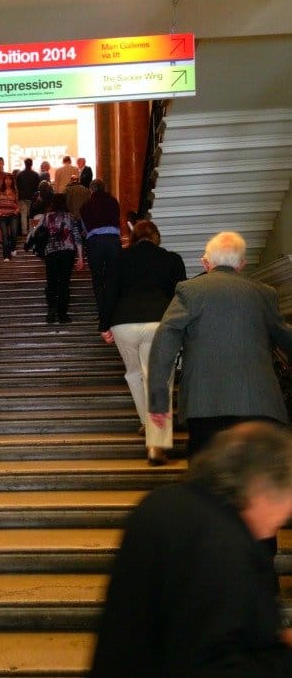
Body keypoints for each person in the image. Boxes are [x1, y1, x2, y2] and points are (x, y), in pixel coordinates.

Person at [84, 421, 292, 678]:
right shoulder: (223, 545)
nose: (279, 525)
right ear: (262, 489)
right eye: (286, 506)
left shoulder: (162, 503)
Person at [148, 230, 292, 460]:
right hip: (259, 404)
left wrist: (158, 401)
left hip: (205, 405)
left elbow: (164, 342)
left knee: (206, 480)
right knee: (255, 480)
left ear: (206, 262)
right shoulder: (265, 294)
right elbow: (285, 338)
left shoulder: (189, 291)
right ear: (242, 264)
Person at [100, 221, 186, 465]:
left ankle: (145, 421)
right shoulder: (171, 259)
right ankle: (156, 444)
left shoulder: (120, 258)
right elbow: (180, 296)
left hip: (124, 323)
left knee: (134, 374)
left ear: (135, 238)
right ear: (156, 237)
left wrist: (104, 325)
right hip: (159, 322)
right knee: (158, 380)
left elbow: (109, 292)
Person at [79, 179, 121, 332]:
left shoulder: (85, 206)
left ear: (91, 190)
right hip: (113, 241)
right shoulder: (113, 202)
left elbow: (84, 229)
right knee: (112, 277)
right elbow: (118, 220)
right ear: (104, 188)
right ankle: (112, 312)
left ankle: (102, 313)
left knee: (97, 279)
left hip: (95, 242)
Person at [39, 193, 84, 323]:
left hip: (51, 252)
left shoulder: (46, 217)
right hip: (67, 253)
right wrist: (80, 258)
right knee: (64, 283)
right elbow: (77, 237)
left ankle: (51, 310)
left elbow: (38, 232)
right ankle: (63, 314)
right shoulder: (70, 217)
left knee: (51, 282)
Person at [0, 173, 19, 261]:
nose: (8, 181)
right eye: (6, 179)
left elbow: (17, 203)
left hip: (12, 215)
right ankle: (6, 255)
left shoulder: (14, 190)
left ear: (12, 181)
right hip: (2, 216)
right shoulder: (0, 190)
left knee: (14, 233)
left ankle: (12, 248)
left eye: (10, 179)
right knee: (5, 235)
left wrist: (16, 211)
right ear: (4, 181)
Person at [15, 157, 40, 236]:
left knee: (23, 215)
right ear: (31, 164)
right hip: (32, 198)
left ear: (24, 164)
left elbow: (17, 187)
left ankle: (24, 231)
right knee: (31, 215)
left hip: (22, 197)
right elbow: (38, 187)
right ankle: (31, 231)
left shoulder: (19, 174)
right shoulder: (35, 174)